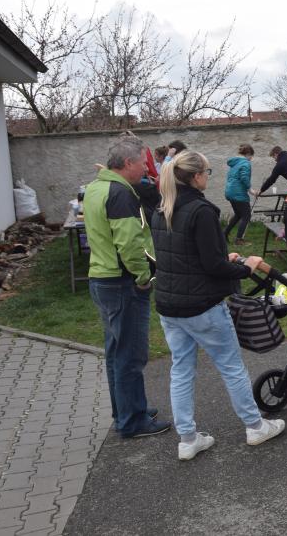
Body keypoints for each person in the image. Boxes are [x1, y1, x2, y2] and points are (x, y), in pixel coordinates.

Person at [151, 151, 285, 460]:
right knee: (231, 366)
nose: (208, 178)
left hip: (170, 305)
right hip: (202, 306)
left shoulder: (163, 208)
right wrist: (246, 268)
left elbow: (185, 256)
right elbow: (212, 266)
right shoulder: (201, 210)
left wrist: (225, 259)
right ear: (196, 176)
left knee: (181, 371)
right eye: (207, 172)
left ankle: (188, 439)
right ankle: (255, 426)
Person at [84, 136, 170, 439]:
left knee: (116, 352)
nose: (146, 169)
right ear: (128, 163)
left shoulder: (95, 188)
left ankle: (126, 410)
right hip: (122, 282)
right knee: (130, 356)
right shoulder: (120, 193)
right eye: (142, 164)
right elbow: (129, 244)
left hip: (101, 278)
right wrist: (143, 277)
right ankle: (133, 421)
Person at [224, 144, 255, 245]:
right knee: (246, 215)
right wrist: (250, 189)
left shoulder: (235, 163)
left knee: (238, 215)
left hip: (230, 192)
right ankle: (239, 240)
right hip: (238, 193)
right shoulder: (245, 163)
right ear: (248, 154)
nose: (251, 159)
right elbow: (244, 177)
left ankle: (224, 234)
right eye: (251, 156)